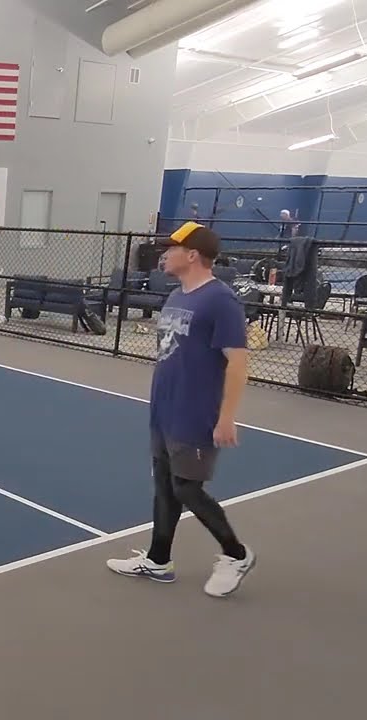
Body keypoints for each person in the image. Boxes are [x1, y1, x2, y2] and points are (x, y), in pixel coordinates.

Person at [107, 221, 256, 598]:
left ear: (192, 255)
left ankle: (236, 554)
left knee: (187, 489)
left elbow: (237, 362)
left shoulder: (220, 301)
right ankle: (159, 560)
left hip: (196, 413)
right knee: (164, 487)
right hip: (164, 410)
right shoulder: (176, 296)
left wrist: (226, 416)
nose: (164, 254)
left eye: (171, 248)